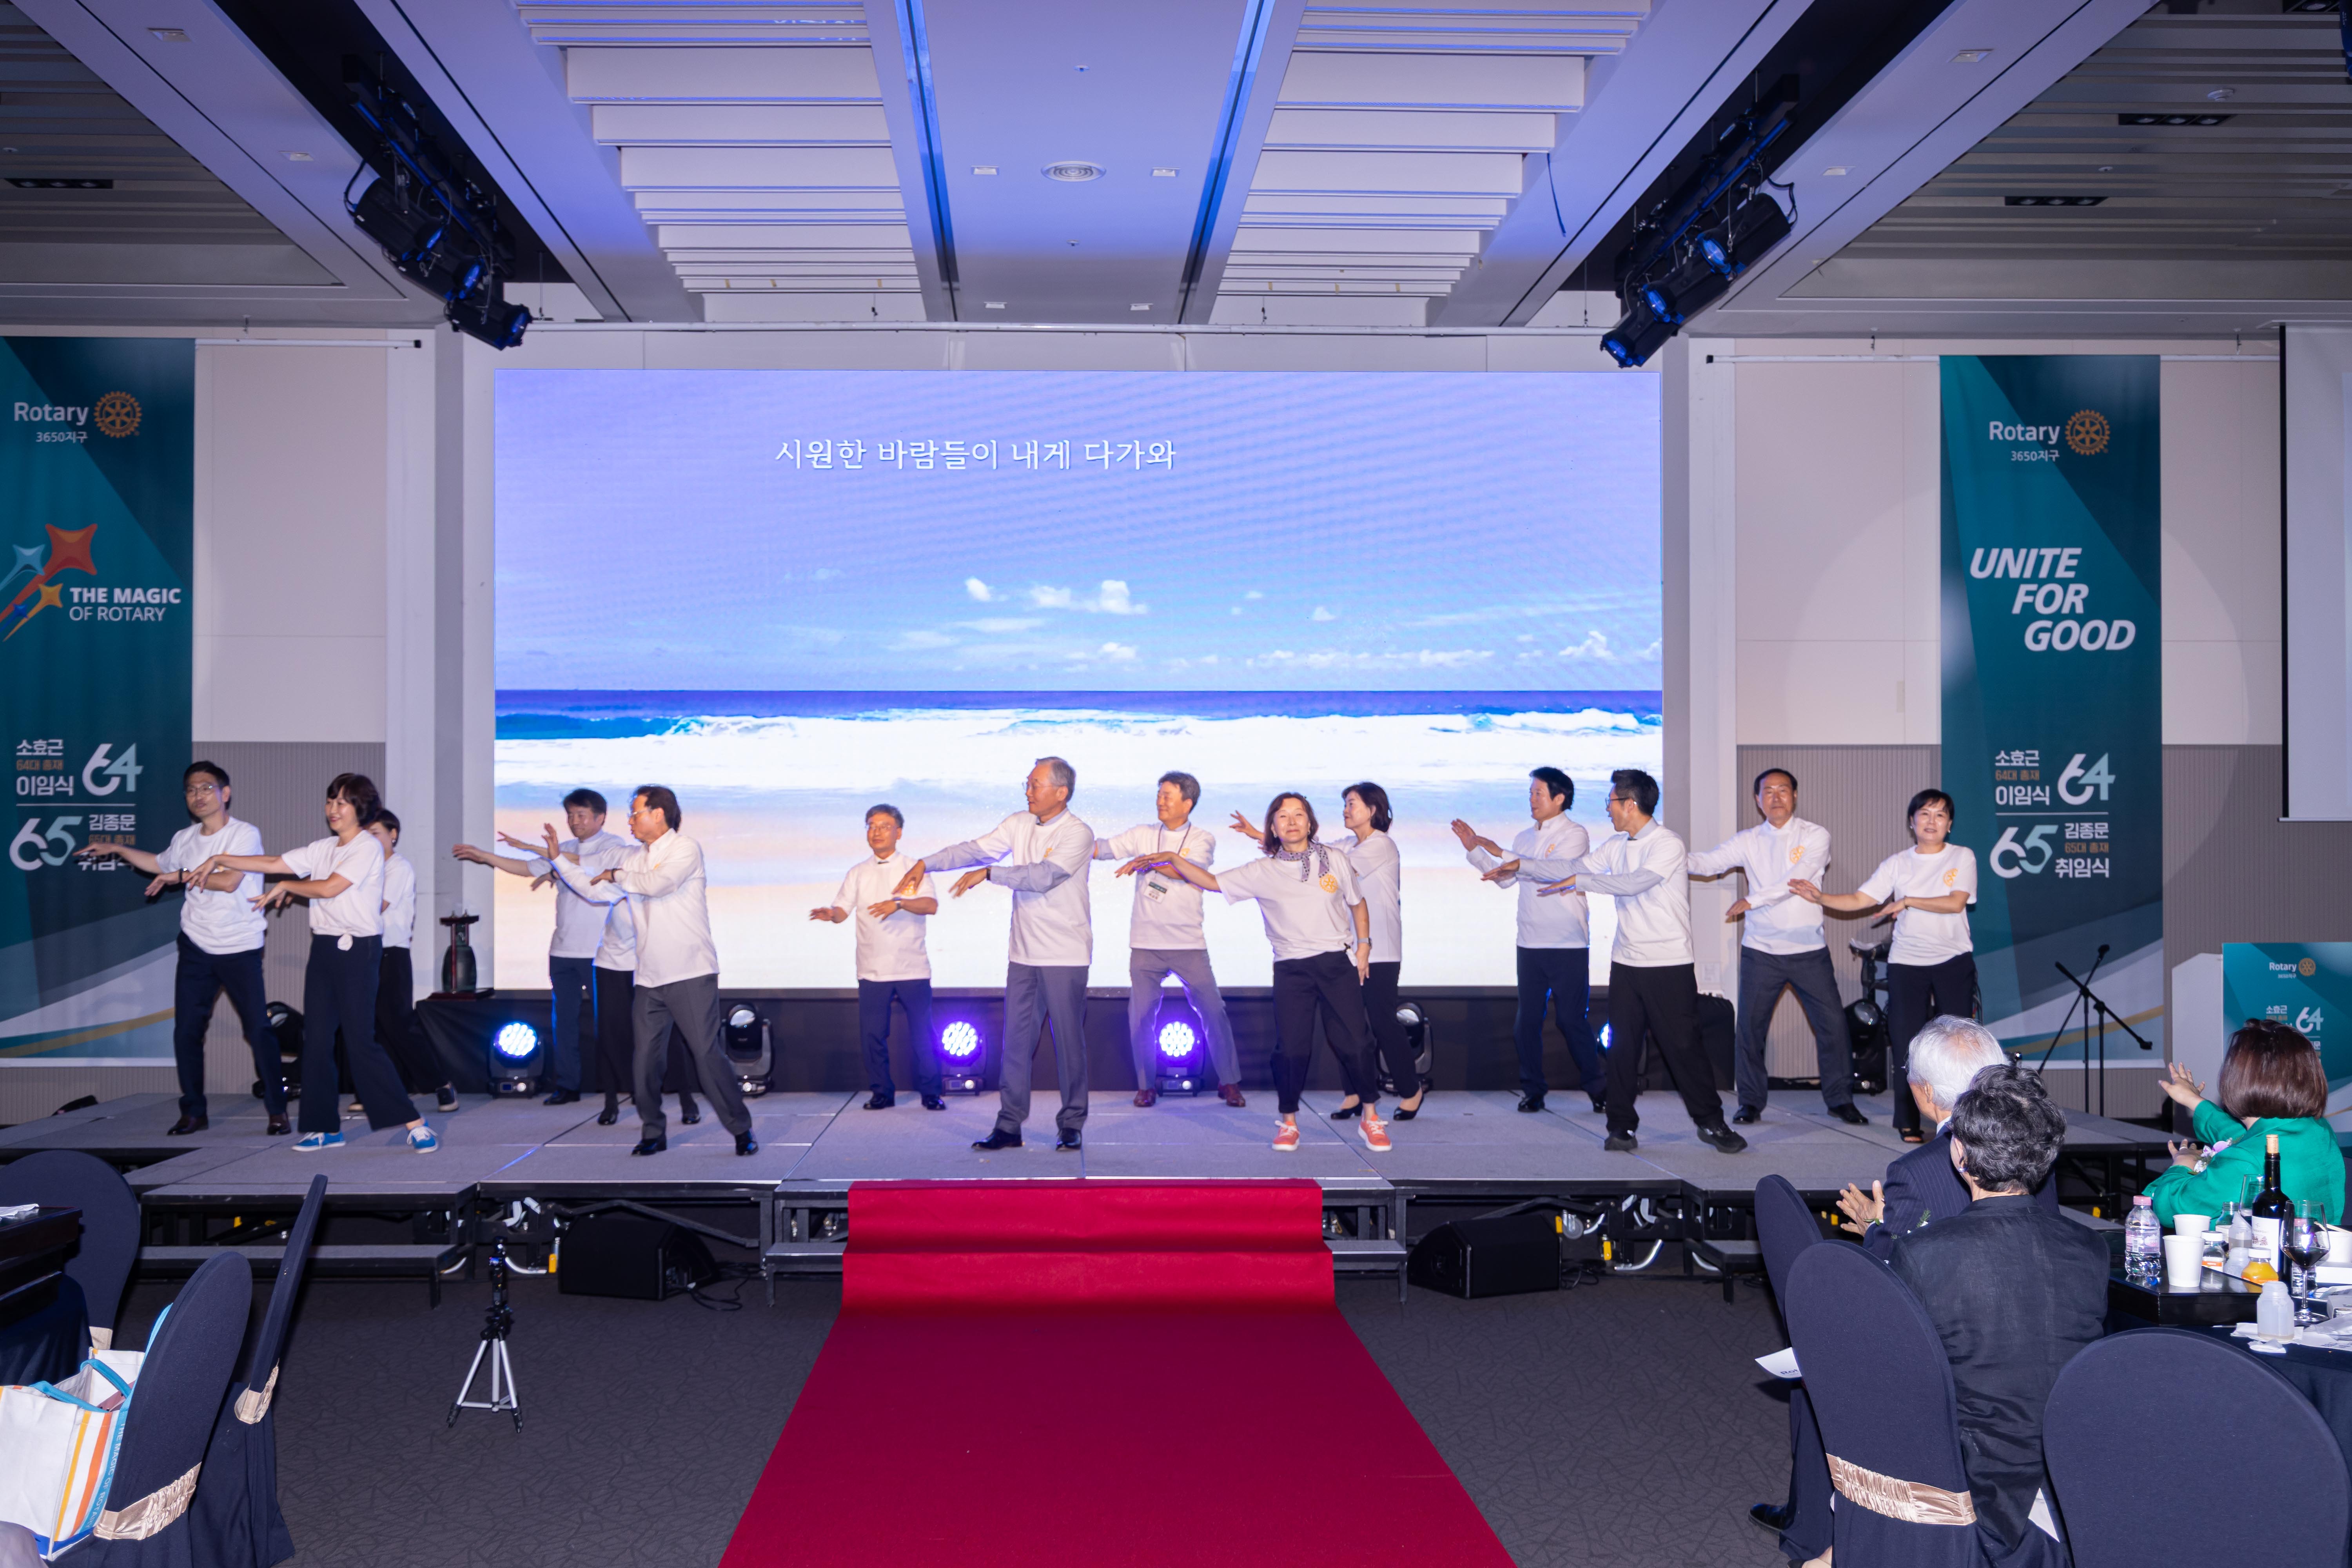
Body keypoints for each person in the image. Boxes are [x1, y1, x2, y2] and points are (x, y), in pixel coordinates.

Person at [1887, 1064, 2107, 1559]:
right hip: (2072, 1468)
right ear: (2046, 1156)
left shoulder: (1922, 1253)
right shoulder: (2090, 1249)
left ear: (1959, 1154)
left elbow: (1904, 1384)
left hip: (1971, 1482)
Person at [1490, 768, 1744, 1155]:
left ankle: (1711, 1122)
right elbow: (1574, 867)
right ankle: (1621, 1127)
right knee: (1622, 1047)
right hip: (1626, 962)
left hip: (1668, 963)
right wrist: (1521, 866)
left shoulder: (1667, 843)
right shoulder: (1616, 844)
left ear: (1630, 804)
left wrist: (1582, 882)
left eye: (1610, 802)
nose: (1607, 809)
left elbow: (1634, 883)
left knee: (1683, 1046)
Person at [1127, 791, 1388, 1155]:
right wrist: (1173, 858)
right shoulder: (1262, 871)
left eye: (1299, 815)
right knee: (1292, 1050)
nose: (1292, 821)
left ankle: (1371, 1117)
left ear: (1310, 823)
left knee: (1357, 1042)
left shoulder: (1335, 859)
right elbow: (1211, 882)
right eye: (1283, 816)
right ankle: (1289, 1122)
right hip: (1292, 968)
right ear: (1274, 828)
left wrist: (1364, 947)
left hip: (1335, 963)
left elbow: (1358, 904)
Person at [194, 773, 436, 1152]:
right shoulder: (322, 848)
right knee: (317, 1040)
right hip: (324, 949)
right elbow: (275, 862)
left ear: (361, 808)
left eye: (343, 802)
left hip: (359, 949)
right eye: (330, 801)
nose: (333, 809)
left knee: (360, 1041)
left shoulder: (367, 847)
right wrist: (220, 857)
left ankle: (415, 1123)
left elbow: (330, 887)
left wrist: (289, 885)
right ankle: (325, 1129)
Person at [75, 761, 288, 1136]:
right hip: (196, 946)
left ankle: (277, 1110)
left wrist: (181, 876)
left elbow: (229, 881)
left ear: (225, 793)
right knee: (187, 1030)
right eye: (191, 790)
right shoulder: (185, 839)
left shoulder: (244, 834)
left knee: (258, 1029)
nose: (198, 796)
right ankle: (193, 1112)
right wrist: (118, 849)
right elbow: (158, 863)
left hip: (239, 946)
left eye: (206, 788)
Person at [898, 757, 1094, 1153]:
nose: (1028, 791)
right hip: (1023, 954)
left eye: (1036, 784)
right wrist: (926, 864)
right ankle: (1009, 1125)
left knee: (1069, 1043)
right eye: (1027, 784)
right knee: (1015, 1043)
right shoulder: (1018, 823)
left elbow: (1043, 877)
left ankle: (1072, 1123)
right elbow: (976, 850)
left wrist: (991, 874)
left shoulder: (1078, 833)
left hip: (1065, 954)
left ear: (1061, 792)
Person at [551, 786, 756, 1157]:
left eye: (636, 813)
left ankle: (741, 1128)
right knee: (645, 1058)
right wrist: (559, 861)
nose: (630, 821)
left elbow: (660, 884)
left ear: (658, 814)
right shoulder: (634, 859)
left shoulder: (685, 848)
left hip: (690, 971)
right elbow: (596, 891)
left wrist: (617, 875)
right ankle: (653, 1132)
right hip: (648, 977)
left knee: (705, 1054)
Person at [1791, 788, 1976, 1143]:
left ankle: (1963, 1121)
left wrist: (1907, 901)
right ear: (1912, 822)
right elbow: (1861, 898)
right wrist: (1820, 897)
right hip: (1907, 963)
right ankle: (1908, 1120)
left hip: (1953, 960)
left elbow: (1956, 903)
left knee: (1957, 1043)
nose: (1932, 821)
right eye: (1924, 814)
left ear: (1950, 824)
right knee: (1907, 1042)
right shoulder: (1898, 863)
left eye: (1940, 815)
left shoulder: (1962, 856)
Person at [1687, 768, 1861, 1126]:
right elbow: (1707, 863)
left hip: (1809, 950)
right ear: (1758, 800)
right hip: (1761, 951)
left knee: (1832, 1026)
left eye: (1783, 790)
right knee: (1751, 1030)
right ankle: (1750, 1102)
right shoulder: (1748, 840)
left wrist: (1753, 900)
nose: (1776, 797)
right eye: (1768, 791)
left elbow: (1796, 880)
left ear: (1795, 796)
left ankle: (1841, 1099)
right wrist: (1671, 855)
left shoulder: (1815, 835)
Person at [453, 787, 629, 1105]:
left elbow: (586, 863)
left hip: (601, 953)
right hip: (562, 951)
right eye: (570, 815)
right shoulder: (563, 848)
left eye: (582, 815)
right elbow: (526, 868)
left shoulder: (613, 847)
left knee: (609, 1025)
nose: (575, 821)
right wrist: (486, 856)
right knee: (564, 1024)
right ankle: (569, 1086)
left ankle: (619, 1088)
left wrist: (544, 852)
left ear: (601, 817)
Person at [522, 826, 703, 1128]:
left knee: (667, 1036)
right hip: (612, 966)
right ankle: (611, 1103)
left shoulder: (668, 872)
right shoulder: (625, 860)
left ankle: (687, 1099)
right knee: (610, 1036)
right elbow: (591, 885)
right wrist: (556, 858)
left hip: (652, 966)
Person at [1451, 766, 1604, 1114]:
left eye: (1539, 793)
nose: (1532, 799)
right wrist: (1476, 851)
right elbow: (1507, 880)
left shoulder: (1575, 834)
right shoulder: (1523, 839)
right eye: (1531, 793)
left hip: (1567, 943)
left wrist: (1504, 854)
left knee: (1571, 1021)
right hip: (1530, 942)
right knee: (1526, 1024)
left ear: (1559, 798)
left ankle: (1599, 1088)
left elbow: (1556, 870)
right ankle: (1533, 1090)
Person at [1833, 1015, 2051, 1259]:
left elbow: (1889, 1267)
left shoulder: (1913, 1172)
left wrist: (1876, 1226)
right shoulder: (2033, 1145)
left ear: (1927, 1090)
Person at [1096, 771, 1243, 1108]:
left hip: (1188, 944)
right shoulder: (1143, 834)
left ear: (1187, 803)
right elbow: (1103, 849)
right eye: (1159, 795)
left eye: (1168, 796)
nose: (1160, 801)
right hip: (1145, 944)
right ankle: (1146, 1086)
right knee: (1140, 1017)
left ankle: (1230, 1082)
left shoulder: (1203, 838)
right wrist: (1071, 843)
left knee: (1214, 1011)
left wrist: (1149, 863)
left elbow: (1188, 872)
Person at [2146, 1019, 2345, 1225]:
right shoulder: (2317, 1129)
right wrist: (2195, 1102)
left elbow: (2173, 1208)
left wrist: (2183, 1164)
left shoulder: (2245, 1162)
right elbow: (2246, 1137)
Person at [811, 804, 944, 1111]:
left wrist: (899, 904)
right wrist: (831, 914)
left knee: (923, 1034)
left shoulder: (914, 868)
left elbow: (930, 905)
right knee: (873, 1036)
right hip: (872, 969)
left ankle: (931, 1093)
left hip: (912, 968)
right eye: (871, 826)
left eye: (884, 826)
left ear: (899, 832)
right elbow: (842, 911)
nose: (876, 832)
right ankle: (882, 1093)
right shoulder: (858, 872)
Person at [359, 811, 458, 1115]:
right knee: (372, 1027)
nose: (370, 840)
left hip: (392, 953)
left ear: (394, 834)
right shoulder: (362, 868)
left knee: (400, 1025)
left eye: (376, 833)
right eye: (365, 834)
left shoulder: (398, 867)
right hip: (364, 954)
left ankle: (441, 1084)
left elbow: (376, 906)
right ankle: (384, 1091)